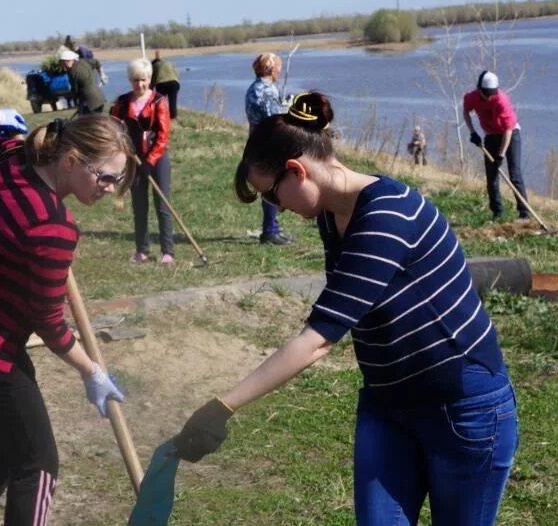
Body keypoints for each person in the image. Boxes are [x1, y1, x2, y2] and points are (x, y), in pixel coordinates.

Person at [172, 92, 519, 525]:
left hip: (461, 408)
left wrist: (222, 406)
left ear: (297, 171)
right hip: (387, 401)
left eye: (273, 195)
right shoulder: (332, 215)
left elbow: (318, 339)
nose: (278, 208)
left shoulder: (387, 215)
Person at [0, 109, 136, 525]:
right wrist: (91, 370)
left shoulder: (11, 156)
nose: (111, 189)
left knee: (12, 447)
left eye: (118, 179)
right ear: (70, 161)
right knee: (38, 463)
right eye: (106, 177)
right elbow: (48, 322)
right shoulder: (52, 227)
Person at [110, 58, 175, 265]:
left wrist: (151, 161)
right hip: (134, 160)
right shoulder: (121, 102)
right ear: (131, 80)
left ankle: (167, 251)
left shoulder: (159, 101)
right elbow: (113, 129)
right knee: (139, 206)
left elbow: (163, 136)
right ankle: (142, 250)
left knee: (162, 204)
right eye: (136, 80)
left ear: (150, 79)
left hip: (157, 159)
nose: (140, 84)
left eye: (144, 80)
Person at [463, 70, 529, 220]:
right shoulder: (471, 97)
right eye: (487, 93)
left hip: (511, 135)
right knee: (491, 177)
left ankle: (524, 213)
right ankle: (497, 213)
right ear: (480, 90)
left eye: (492, 93)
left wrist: (500, 155)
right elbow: (466, 112)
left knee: (515, 175)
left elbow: (508, 131)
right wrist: (473, 132)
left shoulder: (502, 100)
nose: (490, 96)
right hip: (491, 135)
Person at [245, 52, 292, 245]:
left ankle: (272, 227)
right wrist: (288, 107)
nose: (280, 70)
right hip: (268, 144)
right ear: (271, 69)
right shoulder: (266, 90)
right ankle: (270, 231)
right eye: (278, 67)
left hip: (257, 141)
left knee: (270, 184)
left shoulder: (254, 88)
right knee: (272, 184)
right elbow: (275, 120)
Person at [61, 49, 106, 115]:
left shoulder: (73, 72)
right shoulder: (83, 61)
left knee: (87, 123)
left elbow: (75, 91)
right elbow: (96, 62)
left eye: (66, 61)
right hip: (99, 98)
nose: (64, 63)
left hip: (90, 103)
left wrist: (74, 101)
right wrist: (102, 75)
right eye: (64, 61)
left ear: (72, 60)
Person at [151, 50, 181, 119]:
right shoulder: (169, 63)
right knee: (172, 101)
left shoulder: (154, 66)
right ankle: (173, 117)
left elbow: (152, 79)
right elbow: (177, 74)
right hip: (174, 83)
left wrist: (150, 90)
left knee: (160, 101)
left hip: (162, 84)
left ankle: (160, 116)